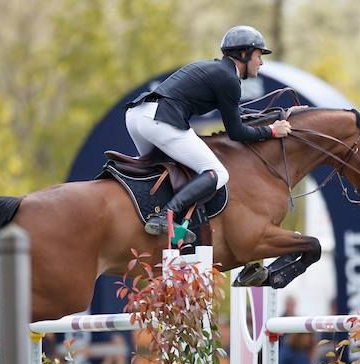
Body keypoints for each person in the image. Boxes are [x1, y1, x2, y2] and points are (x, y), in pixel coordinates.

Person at [125, 25, 292, 242]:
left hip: (137, 115)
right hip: (159, 119)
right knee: (217, 173)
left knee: (163, 169)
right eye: (259, 55)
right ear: (244, 54)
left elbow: (238, 114)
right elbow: (237, 132)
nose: (261, 62)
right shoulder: (229, 79)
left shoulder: (219, 72)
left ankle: (143, 215)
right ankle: (165, 215)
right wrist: (271, 131)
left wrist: (276, 115)